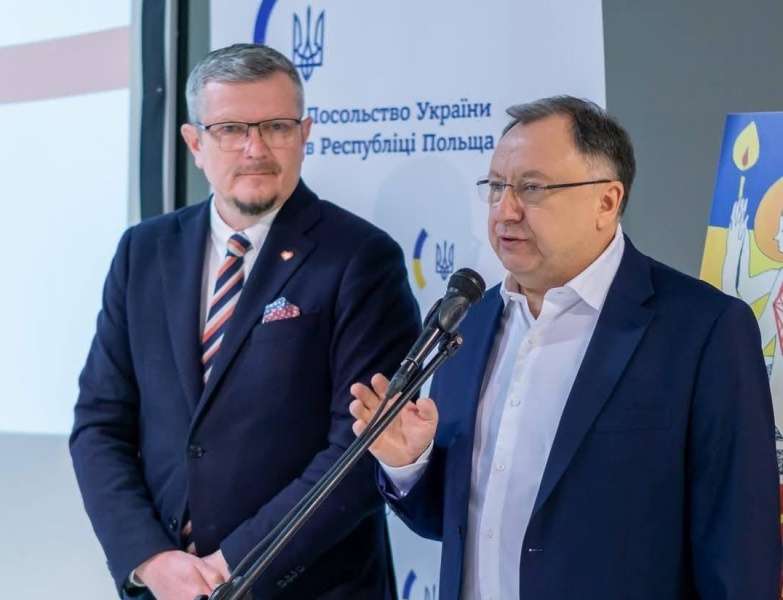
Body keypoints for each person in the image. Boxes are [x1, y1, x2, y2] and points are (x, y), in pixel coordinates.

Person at [350, 96, 782, 599]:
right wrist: (410, 463)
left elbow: (738, 550)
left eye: (531, 188)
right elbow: (453, 524)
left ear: (607, 202)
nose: (505, 210)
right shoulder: (467, 323)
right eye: (496, 187)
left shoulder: (702, 329)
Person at [70, 43, 419, 600]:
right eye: (231, 129)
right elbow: (99, 425)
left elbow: (360, 450)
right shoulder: (145, 252)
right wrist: (151, 560)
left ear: (305, 134)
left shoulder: (361, 258)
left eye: (276, 127)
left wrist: (231, 567)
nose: (256, 149)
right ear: (195, 143)